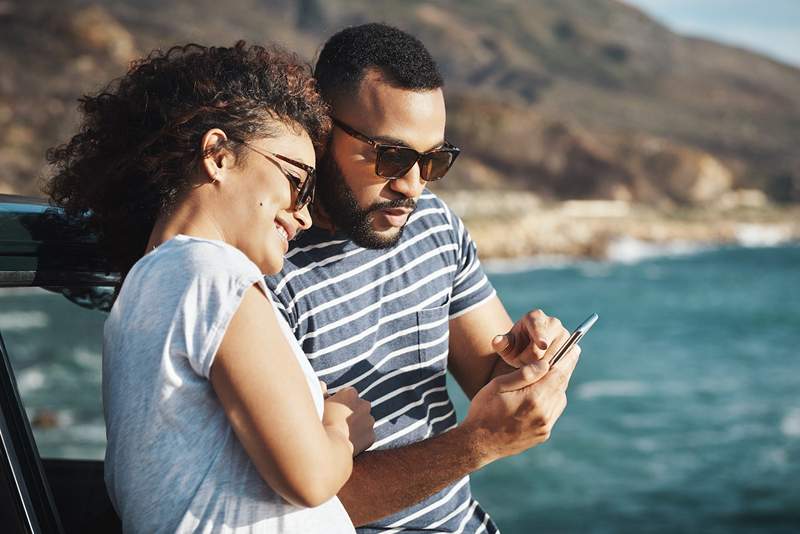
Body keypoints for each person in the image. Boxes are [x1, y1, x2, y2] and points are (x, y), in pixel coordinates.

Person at [264, 24, 582, 533]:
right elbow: (302, 509)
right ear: (320, 129)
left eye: (432, 160)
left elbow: (490, 381)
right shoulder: (267, 271)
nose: (412, 186)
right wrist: (476, 445)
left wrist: (531, 365)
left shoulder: (432, 224)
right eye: (391, 156)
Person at [46, 41, 374, 533]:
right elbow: (310, 478)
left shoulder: (147, 286)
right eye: (299, 182)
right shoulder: (213, 275)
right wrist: (341, 426)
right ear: (218, 155)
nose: (304, 213)